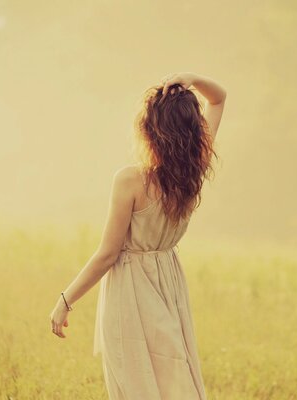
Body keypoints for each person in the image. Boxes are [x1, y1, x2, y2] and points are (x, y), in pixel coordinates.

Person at [49, 71, 227, 399]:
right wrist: (192, 77)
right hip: (167, 281)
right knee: (174, 375)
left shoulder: (131, 180)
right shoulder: (193, 172)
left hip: (130, 288)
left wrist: (66, 300)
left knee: (137, 382)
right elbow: (219, 98)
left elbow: (107, 253)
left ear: (150, 130)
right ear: (191, 131)